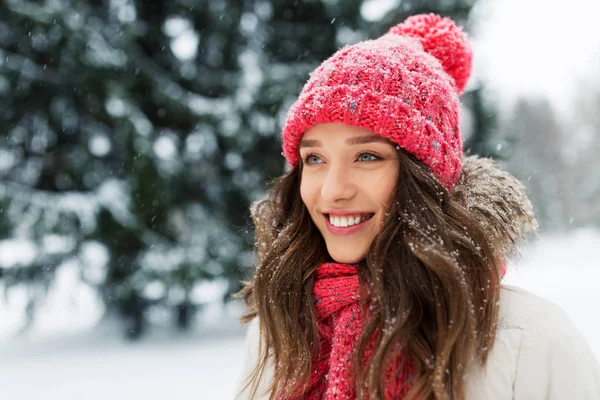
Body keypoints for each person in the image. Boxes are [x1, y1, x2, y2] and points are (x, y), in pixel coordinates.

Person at [233, 13, 600, 400]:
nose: (333, 190)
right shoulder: (279, 330)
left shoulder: (527, 338)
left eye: (367, 157)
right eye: (315, 159)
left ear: (425, 176)